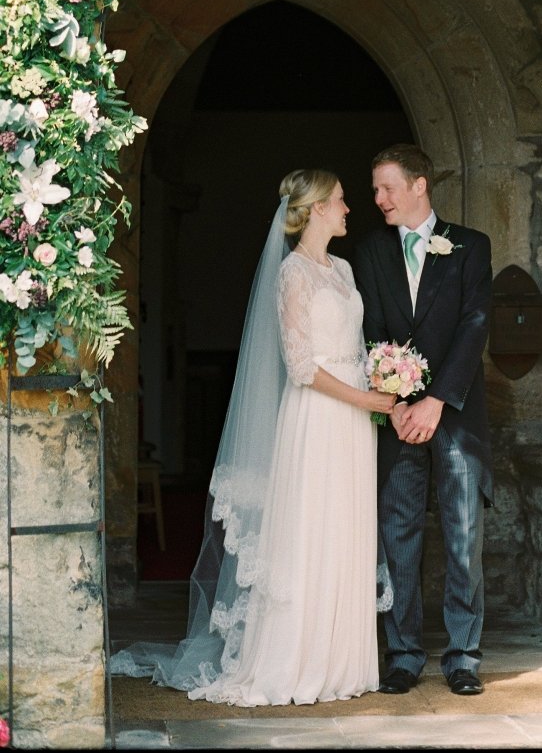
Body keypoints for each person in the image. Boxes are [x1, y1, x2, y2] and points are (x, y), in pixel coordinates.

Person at [111, 169, 394, 706]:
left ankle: (342, 661)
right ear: (314, 210)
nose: (348, 208)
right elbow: (301, 366)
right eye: (339, 201)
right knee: (310, 529)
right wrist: (366, 399)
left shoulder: (345, 269)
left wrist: (382, 379)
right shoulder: (293, 274)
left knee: (345, 526)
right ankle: (296, 659)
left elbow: (354, 347)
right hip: (318, 418)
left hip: (355, 423)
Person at [354, 143, 493, 697]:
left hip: (454, 414)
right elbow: (370, 329)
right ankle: (405, 653)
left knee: (463, 535)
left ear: (419, 186)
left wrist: (436, 401)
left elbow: (474, 325)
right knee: (399, 533)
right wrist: (400, 401)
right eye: (374, 191)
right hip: (396, 416)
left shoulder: (470, 246)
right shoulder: (369, 251)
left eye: (387, 188)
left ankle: (463, 655)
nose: (379, 199)